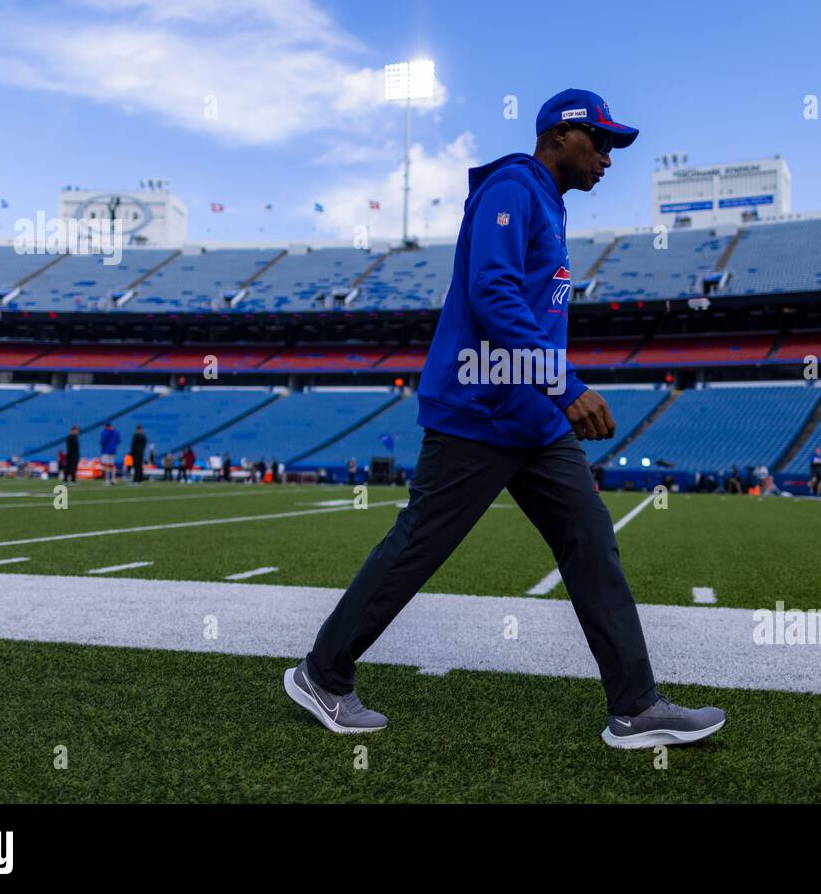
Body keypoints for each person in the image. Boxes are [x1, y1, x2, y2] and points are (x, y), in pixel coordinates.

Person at [285, 88, 723, 750]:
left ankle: (635, 706)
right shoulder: (512, 188)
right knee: (419, 545)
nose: (607, 157)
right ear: (558, 137)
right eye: (598, 142)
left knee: (591, 542)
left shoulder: (548, 202)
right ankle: (322, 673)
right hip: (480, 409)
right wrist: (565, 384)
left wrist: (550, 394)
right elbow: (492, 294)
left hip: (533, 420)